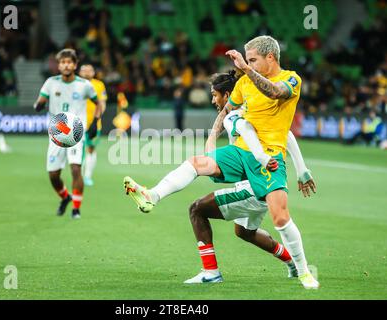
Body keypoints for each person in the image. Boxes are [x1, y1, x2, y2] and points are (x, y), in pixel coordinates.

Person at [124, 36, 319, 289]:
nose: (247, 65)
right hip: (240, 152)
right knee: (196, 164)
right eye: (247, 60)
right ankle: (153, 195)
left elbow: (275, 93)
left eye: (252, 60)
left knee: (279, 218)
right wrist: (211, 141)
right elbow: (226, 111)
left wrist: (302, 170)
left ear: (270, 57)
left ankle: (303, 271)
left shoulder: (291, 79)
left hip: (269, 157)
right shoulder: (245, 84)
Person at [184, 70, 315, 284]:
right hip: (259, 182)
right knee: (244, 232)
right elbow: (284, 133)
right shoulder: (248, 109)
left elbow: (286, 134)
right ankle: (291, 261)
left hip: (256, 184)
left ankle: (211, 272)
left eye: (215, 95)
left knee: (196, 209)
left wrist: (301, 169)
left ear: (228, 95)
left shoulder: (243, 114)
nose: (213, 100)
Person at [33, 49, 105, 219]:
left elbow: (98, 103)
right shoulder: (51, 83)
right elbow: (40, 101)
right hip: (56, 134)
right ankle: (65, 197)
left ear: (74, 65)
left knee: (75, 169)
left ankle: (76, 209)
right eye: (63, 62)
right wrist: (38, 106)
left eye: (69, 62)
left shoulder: (84, 85)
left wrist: (95, 121)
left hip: (75, 133)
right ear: (59, 65)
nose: (66, 65)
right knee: (53, 175)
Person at [79, 64, 108, 186]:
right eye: (84, 70)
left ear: (93, 72)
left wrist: (97, 119)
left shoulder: (99, 85)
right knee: (78, 149)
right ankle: (78, 175)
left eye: (89, 70)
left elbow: (102, 103)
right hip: (78, 122)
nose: (87, 73)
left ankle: (87, 176)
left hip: (94, 122)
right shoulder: (75, 84)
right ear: (80, 72)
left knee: (91, 149)